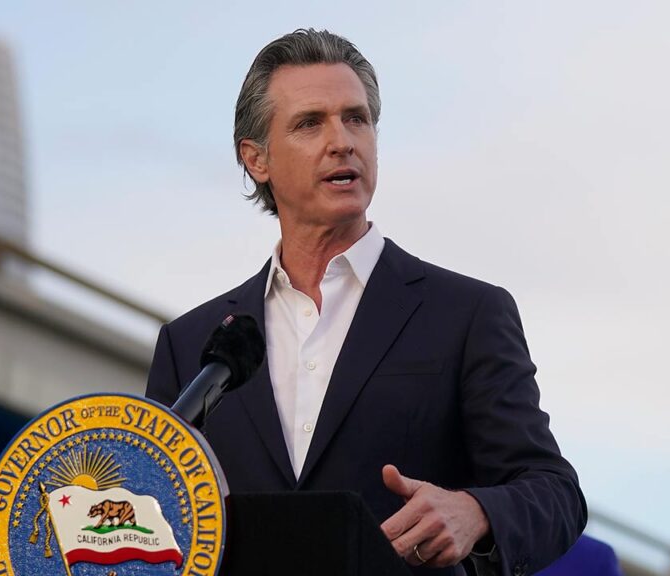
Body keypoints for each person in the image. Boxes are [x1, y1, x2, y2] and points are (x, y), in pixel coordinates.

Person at [146, 29, 585, 576]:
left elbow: (555, 492)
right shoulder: (191, 344)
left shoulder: (467, 315)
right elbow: (152, 517)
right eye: (310, 123)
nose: (342, 141)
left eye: (356, 119)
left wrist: (475, 511)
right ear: (257, 159)